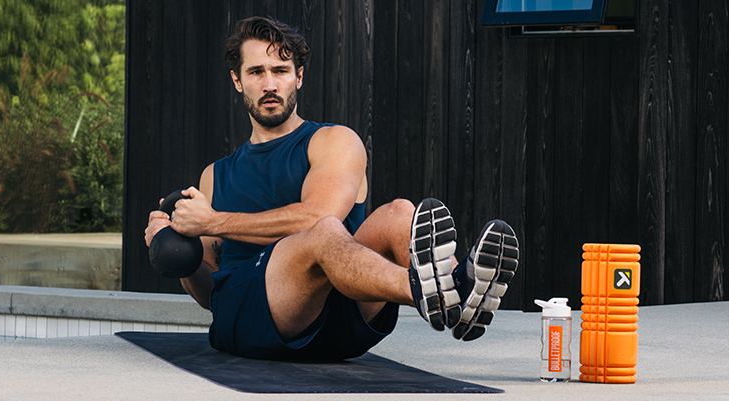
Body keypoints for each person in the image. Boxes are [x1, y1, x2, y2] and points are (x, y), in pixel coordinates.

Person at [144, 16, 519, 361]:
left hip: (339, 320)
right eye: (256, 72)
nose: (270, 84)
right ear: (237, 80)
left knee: (399, 213)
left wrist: (213, 221)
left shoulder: (333, 141)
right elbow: (210, 294)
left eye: (281, 71)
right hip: (249, 319)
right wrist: (177, 248)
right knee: (324, 235)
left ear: (299, 77)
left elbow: (319, 215)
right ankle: (448, 291)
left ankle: (455, 291)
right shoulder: (216, 175)